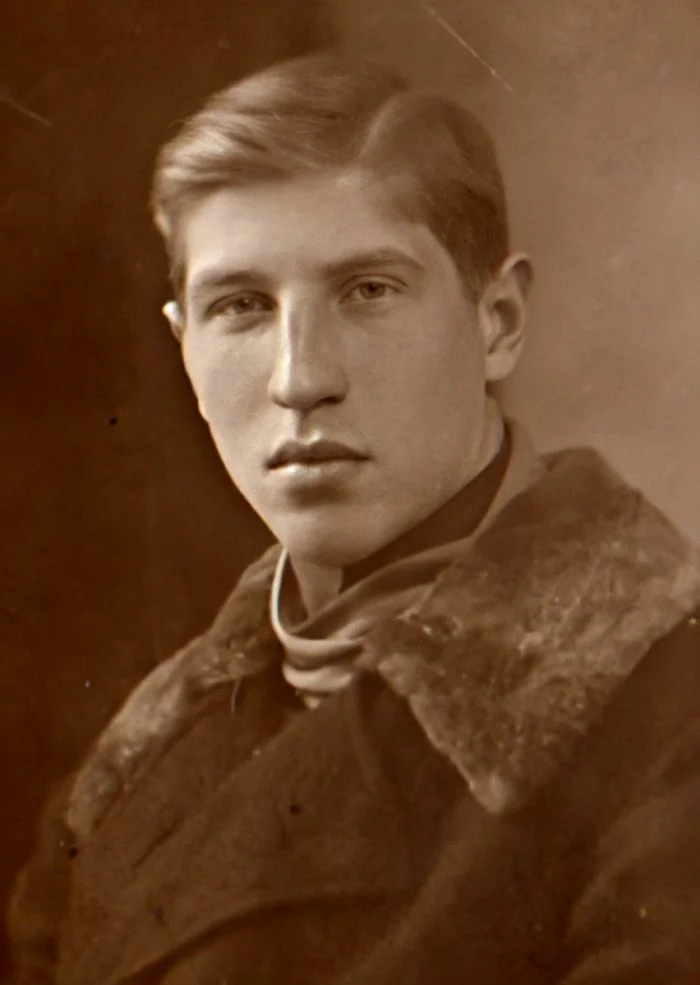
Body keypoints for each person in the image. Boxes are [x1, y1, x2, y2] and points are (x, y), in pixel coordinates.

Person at [7, 50, 700, 985]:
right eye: (241, 307)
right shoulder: (134, 761)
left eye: (368, 291)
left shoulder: (670, 714)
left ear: (498, 321)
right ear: (184, 348)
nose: (301, 378)